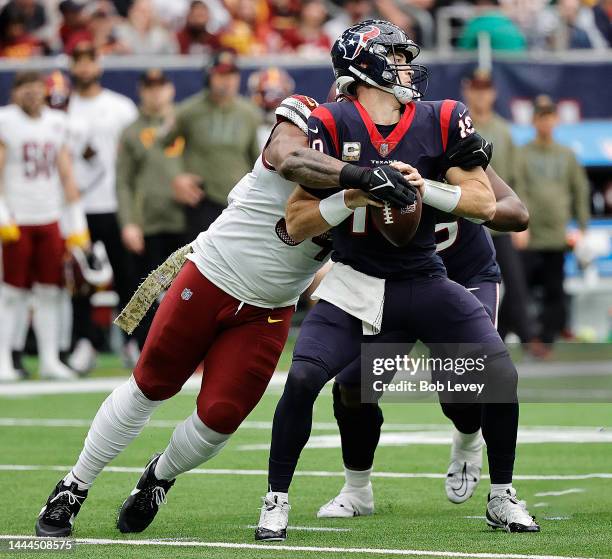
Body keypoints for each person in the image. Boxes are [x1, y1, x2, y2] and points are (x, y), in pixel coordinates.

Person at [34, 93, 416, 537]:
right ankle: (73, 486)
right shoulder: (310, 117)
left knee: (220, 417)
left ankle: (158, 477)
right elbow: (289, 159)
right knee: (151, 384)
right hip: (213, 275)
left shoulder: (393, 161)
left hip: (271, 308)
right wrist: (363, 178)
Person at [256, 20, 540, 541]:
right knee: (325, 384)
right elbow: (295, 218)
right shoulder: (332, 121)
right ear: (365, 66)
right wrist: (358, 188)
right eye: (396, 55)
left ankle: (500, 492)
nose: (407, 65)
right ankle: (292, 498)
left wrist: (419, 185)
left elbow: (491, 206)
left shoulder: (445, 117)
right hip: (359, 281)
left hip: (439, 275)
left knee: (485, 381)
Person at [317, 165, 530, 518]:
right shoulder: (364, 145)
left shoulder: (446, 143)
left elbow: (516, 212)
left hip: (463, 275)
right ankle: (356, 489)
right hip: (395, 280)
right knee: (353, 386)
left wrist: (438, 192)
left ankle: (467, 436)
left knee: (462, 384)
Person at [0, 71, 90, 382]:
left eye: (36, 87)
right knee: (11, 292)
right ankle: (3, 361)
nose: (32, 93)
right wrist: (2, 212)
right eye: (25, 87)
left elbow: (65, 172)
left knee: (51, 292)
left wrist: (76, 220)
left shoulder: (56, 123)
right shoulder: (6, 121)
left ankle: (50, 358)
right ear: (15, 93)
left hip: (50, 216)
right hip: (18, 217)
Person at [66, 40, 138, 373]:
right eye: (78, 61)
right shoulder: (62, 108)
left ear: (99, 64)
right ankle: (84, 342)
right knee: (80, 281)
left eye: (89, 60)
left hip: (116, 204)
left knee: (128, 278)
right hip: (77, 209)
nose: (84, 68)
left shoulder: (121, 107)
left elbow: (134, 159)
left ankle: (131, 341)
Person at [461, 69, 536, 349]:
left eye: (485, 89)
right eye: (476, 89)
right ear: (467, 91)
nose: (481, 95)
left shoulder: (503, 130)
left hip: (498, 219)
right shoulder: (460, 124)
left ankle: (512, 335)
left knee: (515, 282)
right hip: (466, 218)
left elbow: (516, 179)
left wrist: (521, 217)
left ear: (493, 93)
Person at [116, 69, 187, 349]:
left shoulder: (186, 119)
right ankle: (140, 347)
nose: (155, 92)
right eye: (149, 87)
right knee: (146, 290)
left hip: (186, 219)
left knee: (189, 290)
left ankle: (188, 348)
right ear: (140, 90)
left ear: (170, 89)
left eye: (160, 86)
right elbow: (123, 182)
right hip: (150, 222)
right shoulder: (131, 131)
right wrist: (128, 222)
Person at [514, 95, 590, 346]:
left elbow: (580, 190)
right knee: (520, 287)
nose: (546, 122)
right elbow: (518, 187)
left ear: (556, 120)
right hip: (530, 233)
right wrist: (519, 225)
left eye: (550, 117)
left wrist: (581, 227)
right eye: (541, 117)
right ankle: (515, 334)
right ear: (534, 120)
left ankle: (547, 339)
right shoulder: (523, 153)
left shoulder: (567, 155)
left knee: (554, 289)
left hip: (557, 234)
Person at [168, 49, 262, 240]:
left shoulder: (250, 113)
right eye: (221, 74)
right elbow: (162, 146)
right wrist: (176, 176)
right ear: (209, 76)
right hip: (202, 198)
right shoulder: (188, 111)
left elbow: (258, 159)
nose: (227, 81)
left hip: (239, 200)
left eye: (232, 74)